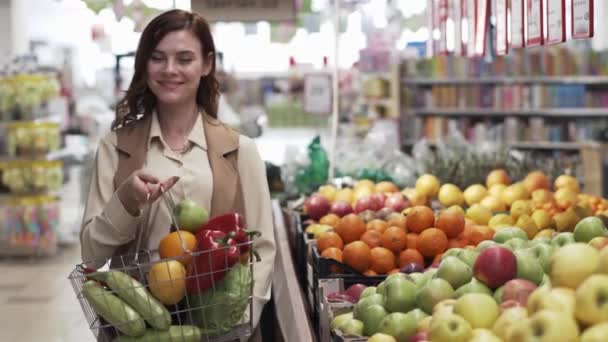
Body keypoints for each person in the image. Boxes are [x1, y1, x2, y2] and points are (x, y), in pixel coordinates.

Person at [80, 9, 275, 342]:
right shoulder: (115, 148)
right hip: (136, 327)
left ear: (207, 64)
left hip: (215, 329)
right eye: (158, 58)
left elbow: (263, 249)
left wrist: (238, 324)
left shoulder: (240, 150)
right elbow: (91, 255)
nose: (170, 70)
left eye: (184, 59)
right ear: (144, 64)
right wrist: (125, 202)